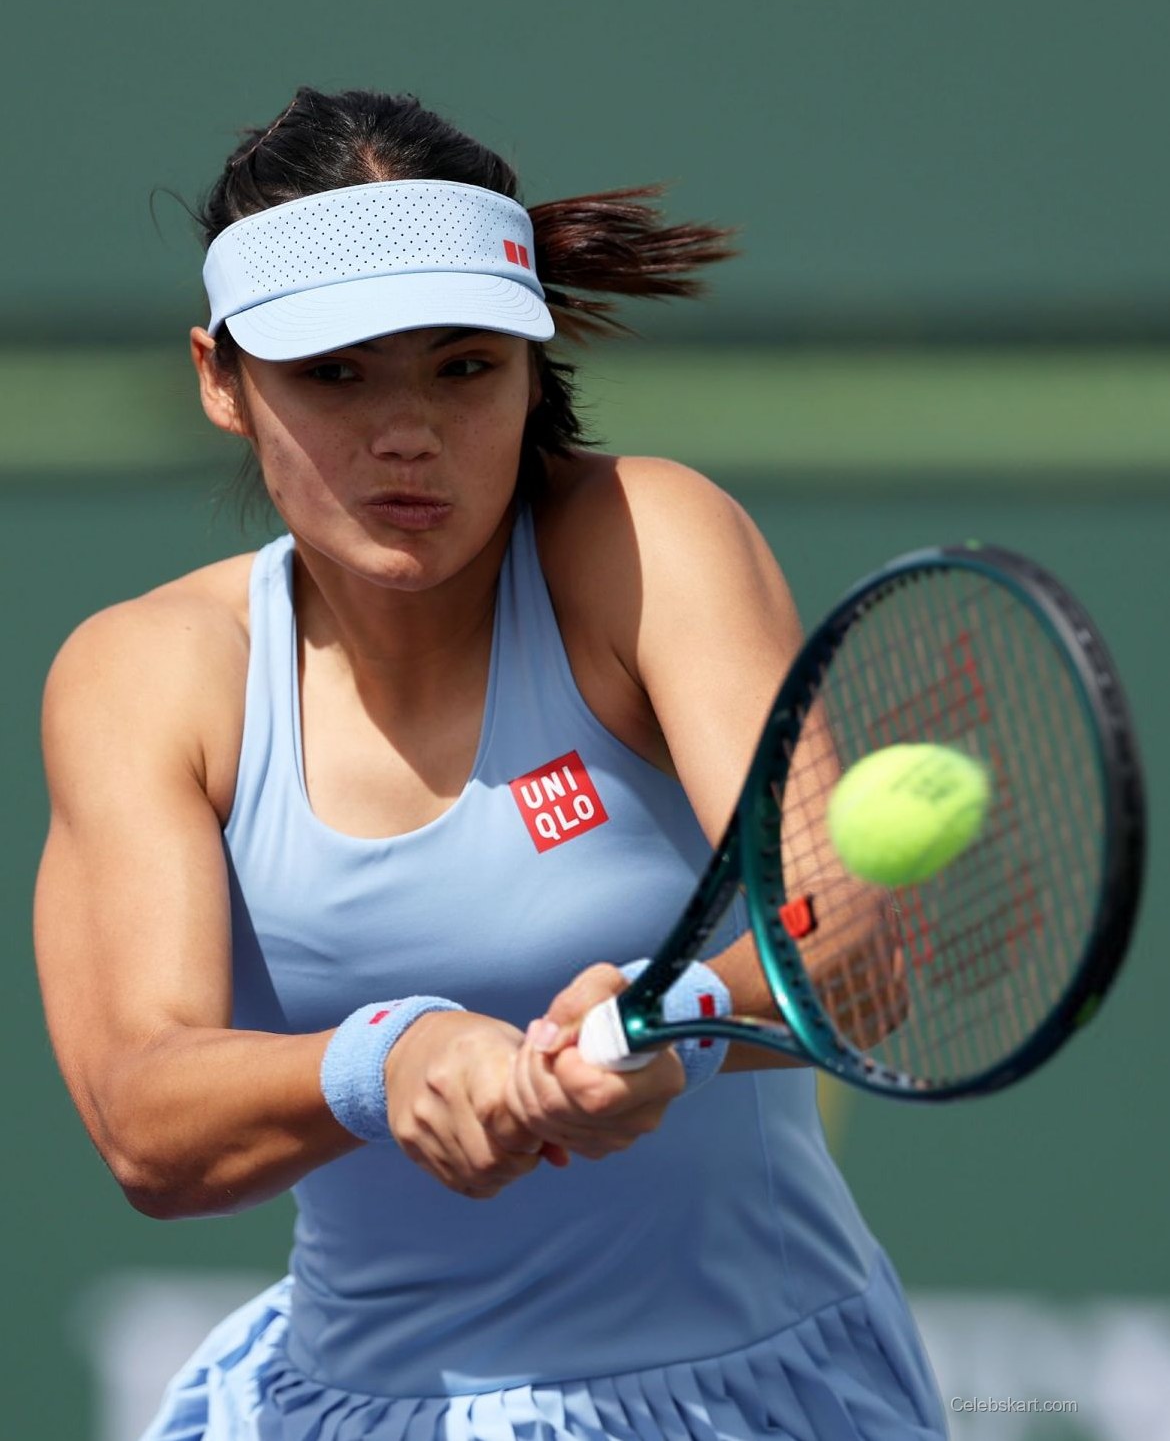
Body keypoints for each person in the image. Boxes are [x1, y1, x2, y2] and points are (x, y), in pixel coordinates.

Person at [34, 87, 947, 1441]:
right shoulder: (146, 673)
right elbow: (146, 1124)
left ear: (529, 365)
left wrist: (674, 1022)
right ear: (221, 380)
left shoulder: (648, 541)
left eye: (463, 368)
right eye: (334, 372)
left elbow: (858, 952)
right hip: (351, 1409)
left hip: (761, 1398)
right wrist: (386, 1057)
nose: (407, 431)